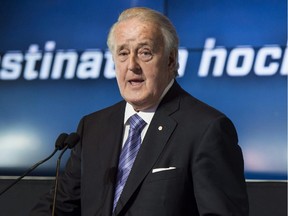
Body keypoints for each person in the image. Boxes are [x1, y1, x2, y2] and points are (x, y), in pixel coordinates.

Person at [30, 7, 249, 216]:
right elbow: (59, 207)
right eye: (123, 53)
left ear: (171, 60)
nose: (132, 65)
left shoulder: (206, 129)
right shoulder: (92, 127)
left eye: (145, 53)